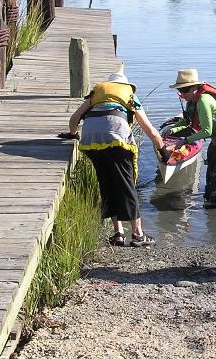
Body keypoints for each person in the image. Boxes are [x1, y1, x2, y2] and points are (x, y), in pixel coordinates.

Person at [60, 72, 165, 247]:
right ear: (125, 85)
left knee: (107, 183)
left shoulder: (96, 93)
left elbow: (74, 119)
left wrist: (72, 135)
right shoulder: (130, 95)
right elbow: (151, 131)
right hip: (117, 138)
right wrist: (163, 151)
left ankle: (118, 234)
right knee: (126, 185)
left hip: (90, 140)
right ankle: (138, 235)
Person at [164, 69, 216, 209]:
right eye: (180, 90)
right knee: (211, 180)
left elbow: (206, 131)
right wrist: (172, 130)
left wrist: (185, 141)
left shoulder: (203, 100)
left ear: (195, 88)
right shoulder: (192, 100)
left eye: (185, 90)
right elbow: (187, 122)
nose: (182, 94)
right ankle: (211, 215)